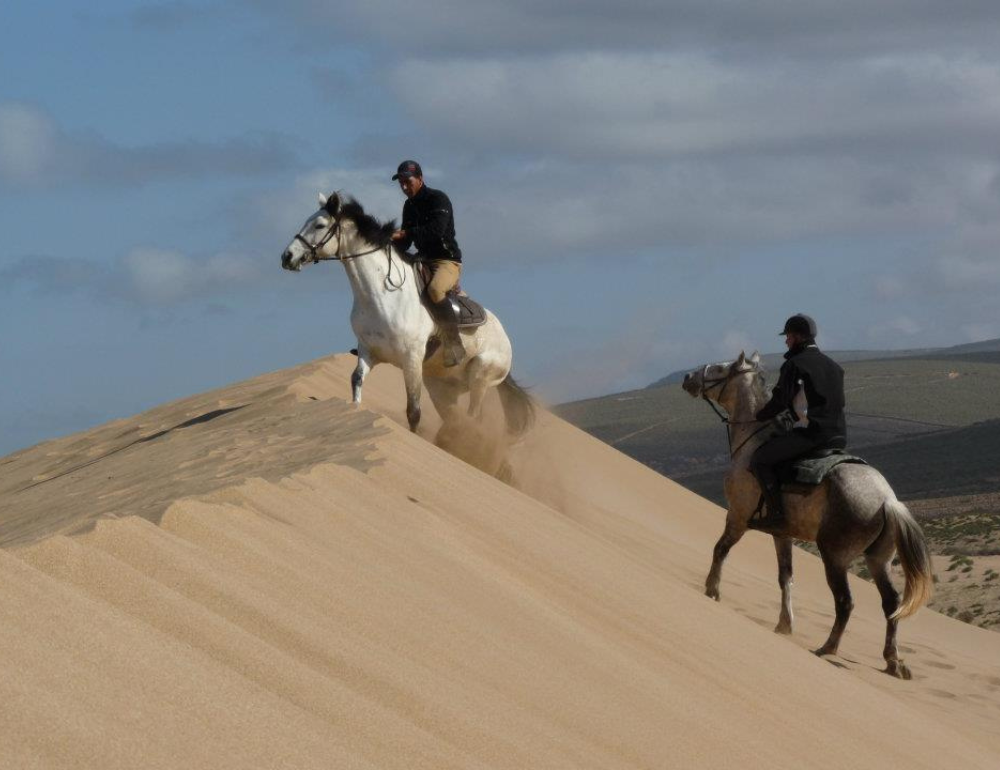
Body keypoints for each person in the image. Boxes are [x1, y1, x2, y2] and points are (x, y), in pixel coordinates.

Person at [748, 313, 847, 531]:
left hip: (810, 435)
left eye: (789, 336)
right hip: (839, 436)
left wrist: (758, 417)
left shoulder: (794, 365)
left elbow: (780, 400)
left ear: (798, 337)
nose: (786, 341)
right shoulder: (833, 366)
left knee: (760, 460)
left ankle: (776, 515)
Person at [389, 160, 465, 366]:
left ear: (420, 179)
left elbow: (436, 231)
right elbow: (406, 242)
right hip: (422, 260)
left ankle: (454, 343)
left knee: (435, 291)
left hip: (446, 261)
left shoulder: (438, 199)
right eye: (401, 183)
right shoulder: (409, 205)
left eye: (408, 181)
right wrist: (387, 243)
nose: (404, 187)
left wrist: (405, 233)